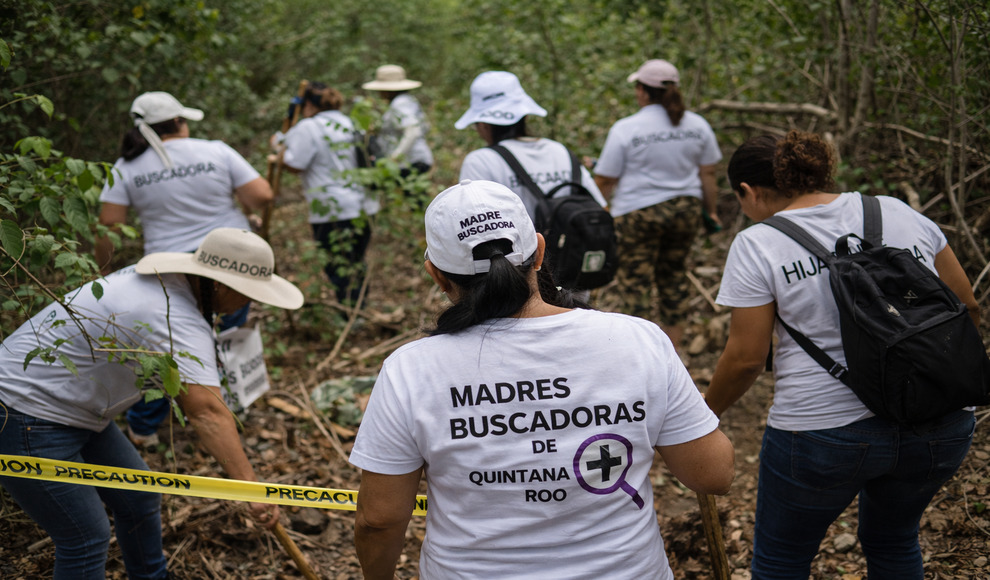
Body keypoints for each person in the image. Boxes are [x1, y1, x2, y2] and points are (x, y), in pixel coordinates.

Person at [350, 179, 734, 579]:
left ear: (437, 276)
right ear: (539, 253)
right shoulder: (636, 340)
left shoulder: (411, 370)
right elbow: (714, 473)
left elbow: (379, 519)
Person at [705, 131, 977, 579]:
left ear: (749, 191)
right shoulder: (896, 210)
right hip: (940, 421)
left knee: (782, 559)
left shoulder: (757, 244)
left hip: (821, 434)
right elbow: (967, 306)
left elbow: (747, 359)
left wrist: (706, 412)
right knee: (895, 541)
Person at [0, 228, 304, 580]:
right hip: (23, 412)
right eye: (247, 293)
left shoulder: (167, 285)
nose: (249, 303)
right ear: (221, 285)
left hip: (73, 411)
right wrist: (251, 489)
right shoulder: (175, 317)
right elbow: (207, 413)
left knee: (139, 498)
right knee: (85, 537)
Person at [97, 90, 274, 444]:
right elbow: (262, 195)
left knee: (169, 345)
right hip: (229, 262)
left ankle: (144, 427)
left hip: (170, 267)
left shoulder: (126, 166)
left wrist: (103, 272)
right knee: (225, 336)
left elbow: (109, 226)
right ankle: (227, 408)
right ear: (179, 121)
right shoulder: (215, 151)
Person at [593, 59, 722, 348]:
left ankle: (642, 353)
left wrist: (599, 211)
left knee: (635, 283)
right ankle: (673, 352)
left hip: (637, 214)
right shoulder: (697, 125)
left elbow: (605, 179)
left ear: (642, 90)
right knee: (674, 276)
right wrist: (711, 210)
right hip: (685, 212)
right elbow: (708, 173)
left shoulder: (627, 128)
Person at [275, 81, 379, 305]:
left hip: (332, 209)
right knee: (356, 260)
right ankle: (358, 308)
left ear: (308, 105)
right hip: (365, 206)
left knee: (337, 266)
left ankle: (349, 311)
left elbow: (294, 164)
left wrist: (277, 148)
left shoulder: (309, 126)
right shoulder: (351, 122)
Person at [455, 70, 607, 222]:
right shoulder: (560, 151)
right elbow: (601, 208)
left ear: (482, 124)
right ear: (525, 115)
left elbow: (473, 224)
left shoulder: (480, 161)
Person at [361, 64, 433, 177]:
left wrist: (394, 158)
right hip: (417, 159)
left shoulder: (400, 104)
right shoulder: (408, 100)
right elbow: (425, 126)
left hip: (410, 162)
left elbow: (413, 131)